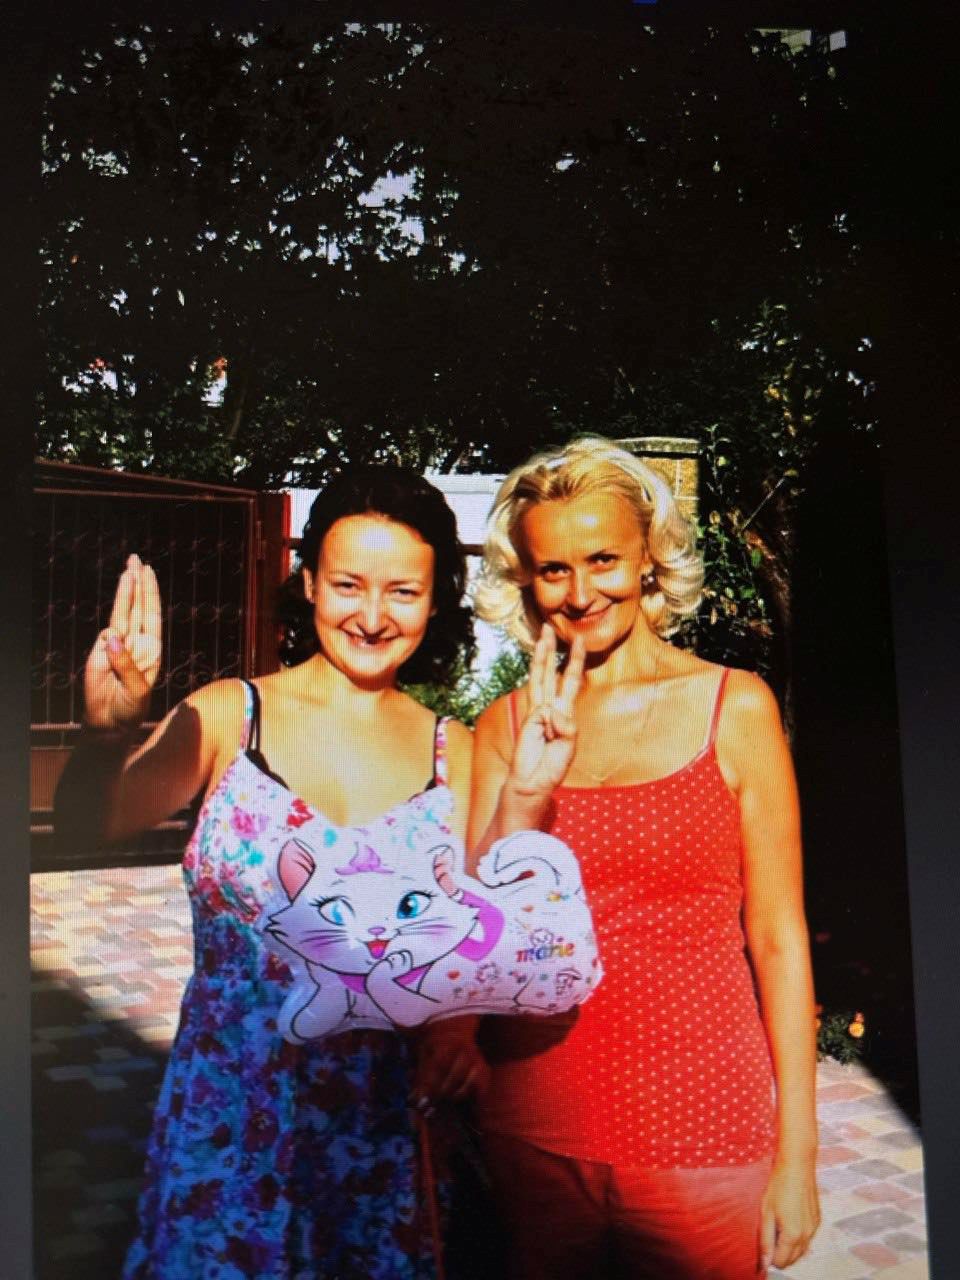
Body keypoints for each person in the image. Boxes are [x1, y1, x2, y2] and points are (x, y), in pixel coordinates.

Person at [54, 466, 478, 1280]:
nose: (372, 616)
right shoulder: (227, 718)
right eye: (348, 584)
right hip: (228, 1124)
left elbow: (474, 947)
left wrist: (459, 1037)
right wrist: (107, 732)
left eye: (403, 592)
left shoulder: (456, 755)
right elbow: (83, 825)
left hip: (379, 1144)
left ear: (435, 602)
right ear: (309, 582)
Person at [463, 435, 820, 1280]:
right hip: (534, 1124)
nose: (581, 593)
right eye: (554, 570)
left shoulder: (734, 708)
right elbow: (475, 937)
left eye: (603, 560)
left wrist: (798, 1155)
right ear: (526, 580)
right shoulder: (505, 726)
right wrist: (525, 793)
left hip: (704, 1126)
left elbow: (779, 939)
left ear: (649, 558)